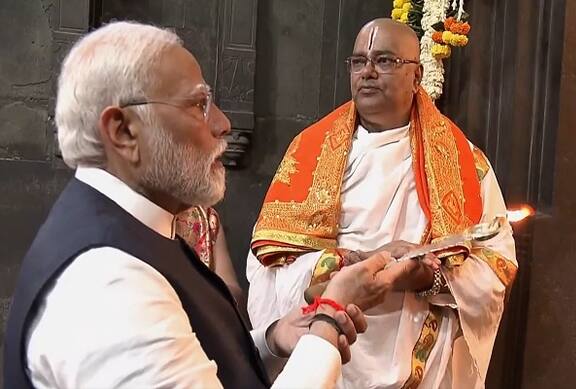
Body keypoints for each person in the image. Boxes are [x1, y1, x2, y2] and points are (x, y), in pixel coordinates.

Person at [2, 21, 407, 389]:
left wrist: (270, 341)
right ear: (123, 131)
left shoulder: (141, 228)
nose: (222, 124)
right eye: (198, 105)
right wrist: (328, 320)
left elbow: (185, 352)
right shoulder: (107, 282)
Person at [247, 18, 518, 388]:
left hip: (420, 363)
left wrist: (428, 277)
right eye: (359, 62)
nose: (368, 72)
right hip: (325, 353)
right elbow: (267, 268)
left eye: (386, 61)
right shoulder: (308, 152)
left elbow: (496, 266)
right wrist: (347, 265)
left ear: (417, 75)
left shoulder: (464, 163)